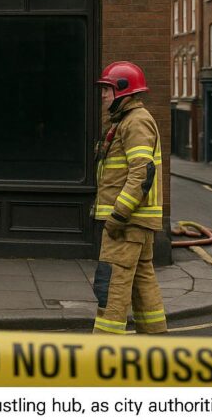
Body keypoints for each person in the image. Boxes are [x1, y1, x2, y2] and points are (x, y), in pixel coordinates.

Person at [91, 61, 166, 335]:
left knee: (111, 284)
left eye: (107, 89)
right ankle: (155, 339)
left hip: (126, 223)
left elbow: (141, 173)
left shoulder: (136, 122)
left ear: (123, 90)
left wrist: (117, 215)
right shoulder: (127, 121)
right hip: (136, 223)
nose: (102, 95)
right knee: (142, 282)